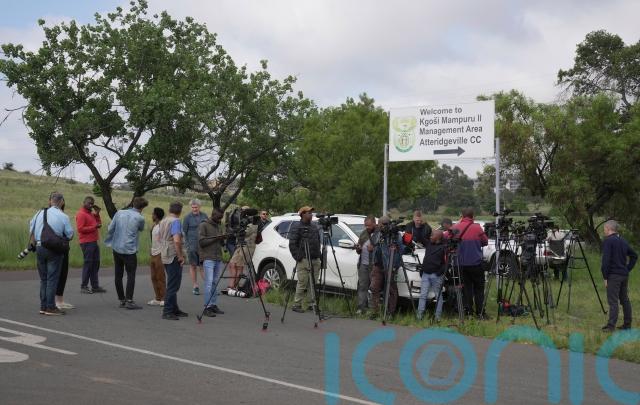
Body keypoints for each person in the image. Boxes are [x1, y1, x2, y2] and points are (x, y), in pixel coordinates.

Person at [29, 192, 74, 315]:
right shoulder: (63, 216)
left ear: (50, 201)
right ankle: (50, 307)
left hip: (39, 247)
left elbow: (31, 228)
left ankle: (43, 306)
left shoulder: (39, 213)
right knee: (52, 279)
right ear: (61, 202)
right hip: (54, 249)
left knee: (43, 279)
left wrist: (33, 242)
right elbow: (70, 235)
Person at [105, 197, 148, 309]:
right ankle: (129, 300)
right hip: (129, 249)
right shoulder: (140, 218)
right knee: (131, 275)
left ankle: (122, 299)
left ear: (133, 204)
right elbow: (141, 229)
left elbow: (110, 228)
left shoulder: (119, 213)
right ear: (142, 208)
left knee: (118, 274)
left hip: (117, 247)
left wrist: (110, 239)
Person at [449, 208, 489, 319]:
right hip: (476, 263)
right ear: (473, 216)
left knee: (467, 289)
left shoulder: (456, 227)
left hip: (460, 264)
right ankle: (480, 313)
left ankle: (468, 312)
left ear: (462, 216)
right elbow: (485, 242)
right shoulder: (477, 227)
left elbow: (448, 238)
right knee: (479, 289)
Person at [601, 220, 637, 332]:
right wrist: (627, 269)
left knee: (613, 301)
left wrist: (605, 277)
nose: (604, 231)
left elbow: (606, 261)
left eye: (604, 229)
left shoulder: (608, 241)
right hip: (624, 275)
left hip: (614, 275)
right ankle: (627, 324)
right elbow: (634, 255)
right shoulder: (623, 240)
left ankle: (611, 326)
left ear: (608, 228)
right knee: (624, 299)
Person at [288, 206, 321, 313]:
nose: (311, 215)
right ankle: (297, 304)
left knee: (313, 283)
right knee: (303, 282)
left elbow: (318, 241)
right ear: (303, 214)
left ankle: (312, 304)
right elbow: (292, 244)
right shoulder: (297, 227)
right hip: (304, 259)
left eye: (311, 213)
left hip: (315, 258)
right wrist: (299, 257)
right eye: (309, 213)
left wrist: (319, 255)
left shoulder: (314, 226)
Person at [159, 201, 188, 320]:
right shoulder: (176, 221)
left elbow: (159, 237)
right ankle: (167, 311)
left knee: (172, 281)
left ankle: (174, 308)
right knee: (173, 284)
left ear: (169, 209)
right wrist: (180, 256)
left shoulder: (164, 221)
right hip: (173, 255)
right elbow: (177, 240)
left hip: (165, 253)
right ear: (180, 211)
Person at [370, 216, 401, 319]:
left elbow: (399, 251)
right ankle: (375, 311)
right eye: (379, 224)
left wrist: (394, 266)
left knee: (391, 289)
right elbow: (373, 242)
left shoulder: (395, 235)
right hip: (378, 264)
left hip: (390, 264)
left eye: (381, 224)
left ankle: (390, 312)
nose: (379, 226)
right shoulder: (378, 233)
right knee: (374, 287)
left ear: (386, 225)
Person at [199, 208, 226, 317]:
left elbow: (221, 243)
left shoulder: (218, 225)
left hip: (218, 257)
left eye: (221, 218)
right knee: (209, 283)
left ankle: (213, 304)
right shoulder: (204, 225)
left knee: (215, 282)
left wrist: (223, 238)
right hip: (208, 257)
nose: (220, 220)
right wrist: (216, 238)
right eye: (218, 218)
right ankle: (207, 307)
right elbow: (202, 242)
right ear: (213, 215)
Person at [76, 196, 106, 294]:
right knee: (88, 264)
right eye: (89, 203)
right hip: (86, 242)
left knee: (96, 263)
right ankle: (84, 286)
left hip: (93, 241)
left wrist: (97, 214)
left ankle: (95, 286)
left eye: (92, 203)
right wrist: (94, 227)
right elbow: (80, 229)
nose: (91, 205)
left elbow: (98, 224)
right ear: (84, 202)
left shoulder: (91, 214)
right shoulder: (81, 214)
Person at [226, 206, 258, 295]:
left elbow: (244, 233)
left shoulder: (253, 223)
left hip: (247, 246)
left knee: (239, 266)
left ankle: (233, 286)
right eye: (241, 211)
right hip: (239, 245)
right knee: (232, 263)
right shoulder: (242, 221)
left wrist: (238, 229)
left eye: (244, 211)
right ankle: (232, 285)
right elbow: (236, 232)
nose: (242, 213)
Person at [417, 230, 447, 321]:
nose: (430, 237)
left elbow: (446, 263)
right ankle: (419, 316)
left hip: (436, 275)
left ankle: (437, 317)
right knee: (423, 295)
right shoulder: (429, 243)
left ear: (438, 237)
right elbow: (420, 236)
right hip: (425, 274)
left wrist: (439, 273)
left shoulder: (444, 247)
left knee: (438, 296)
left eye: (432, 235)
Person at [182, 199, 208, 295]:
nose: (194, 209)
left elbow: (208, 229)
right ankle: (195, 286)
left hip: (203, 246)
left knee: (203, 266)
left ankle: (209, 286)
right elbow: (184, 232)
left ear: (199, 207)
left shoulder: (204, 216)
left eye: (196, 207)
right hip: (191, 246)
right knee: (193, 266)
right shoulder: (187, 218)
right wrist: (187, 246)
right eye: (192, 207)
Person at [355, 216, 378, 315]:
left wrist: (374, 249)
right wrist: (358, 248)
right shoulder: (363, 233)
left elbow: (382, 248)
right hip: (363, 264)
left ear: (374, 223)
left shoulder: (378, 233)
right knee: (362, 286)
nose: (367, 227)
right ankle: (361, 307)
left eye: (369, 225)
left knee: (373, 288)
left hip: (374, 265)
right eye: (366, 225)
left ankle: (372, 309)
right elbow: (359, 246)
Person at [147, 207, 166, 306]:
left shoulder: (162, 226)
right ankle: (158, 298)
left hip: (160, 254)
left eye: (153, 214)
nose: (152, 216)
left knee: (160, 277)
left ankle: (164, 298)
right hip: (153, 253)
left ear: (156, 215)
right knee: (153, 277)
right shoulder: (153, 226)